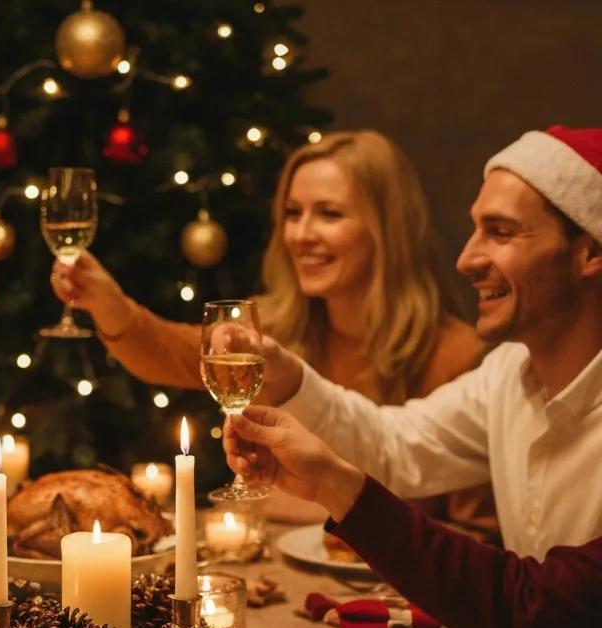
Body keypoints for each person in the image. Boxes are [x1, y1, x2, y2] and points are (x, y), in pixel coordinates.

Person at [51, 130, 493, 533]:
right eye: (293, 213)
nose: (301, 235)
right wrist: (108, 304)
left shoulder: (456, 355)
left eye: (330, 214)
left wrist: (307, 506)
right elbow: (173, 353)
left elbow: (477, 538)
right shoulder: (275, 327)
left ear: (386, 229)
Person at [244, 125, 602, 562]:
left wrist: (336, 489)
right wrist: (291, 379)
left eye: (502, 232)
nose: (466, 260)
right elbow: (392, 447)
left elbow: (542, 602)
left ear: (589, 253)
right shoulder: (507, 373)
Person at [224, 405, 602, 628]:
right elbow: (393, 438)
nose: (465, 276)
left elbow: (524, 605)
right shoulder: (508, 369)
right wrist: (328, 482)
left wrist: (332, 485)